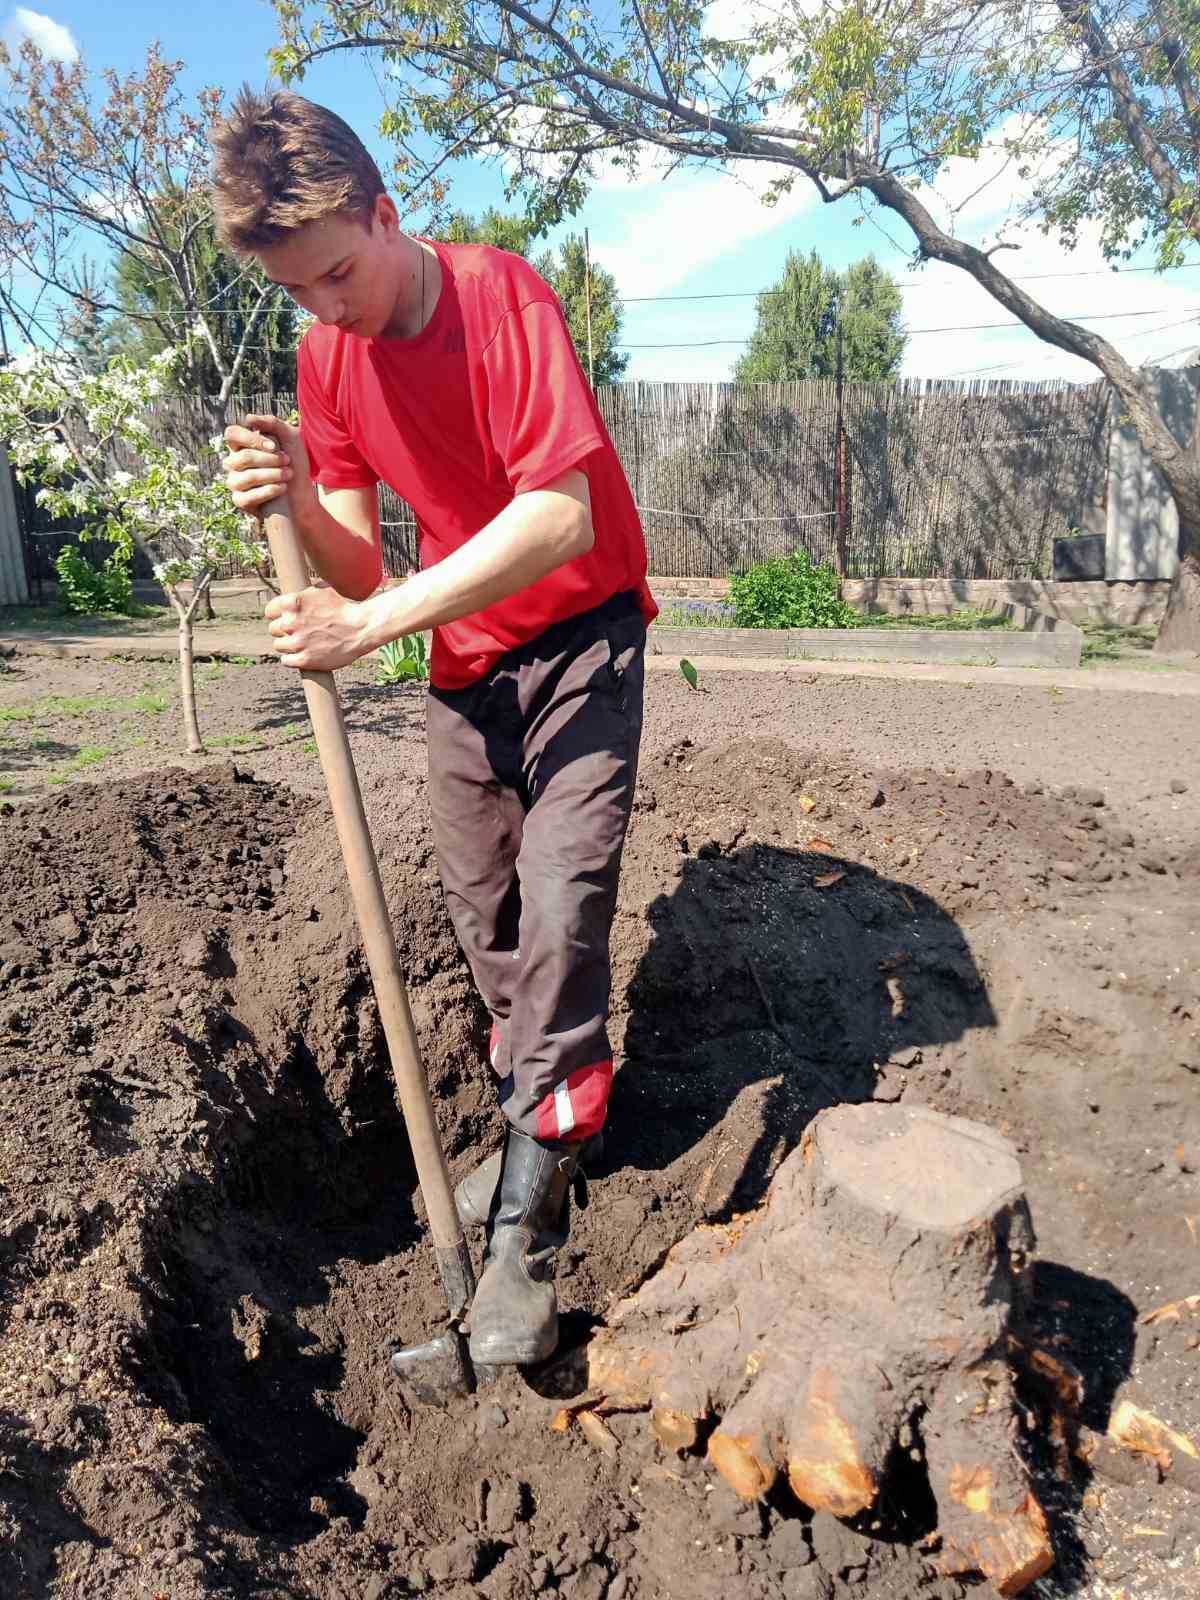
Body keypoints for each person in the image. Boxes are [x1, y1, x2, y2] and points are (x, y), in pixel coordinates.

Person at [211, 89, 655, 1368]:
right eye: (301, 293)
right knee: (490, 919)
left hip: (581, 634)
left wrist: (381, 622)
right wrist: (298, 491)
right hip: (469, 662)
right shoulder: (326, 358)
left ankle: (526, 1224)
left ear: (387, 214)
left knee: (564, 901)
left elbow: (559, 516)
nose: (330, 309)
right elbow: (354, 570)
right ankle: (545, 1120)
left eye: (341, 273)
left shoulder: (500, 297)